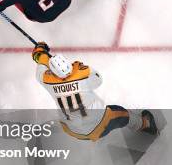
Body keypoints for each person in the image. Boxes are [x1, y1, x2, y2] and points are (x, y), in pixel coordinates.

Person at [31, 42, 159, 141]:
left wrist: (41, 53)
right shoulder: (81, 75)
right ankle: (146, 125)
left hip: (70, 129)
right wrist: (81, 68)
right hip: (96, 127)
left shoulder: (45, 79)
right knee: (121, 113)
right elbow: (99, 80)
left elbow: (41, 62)